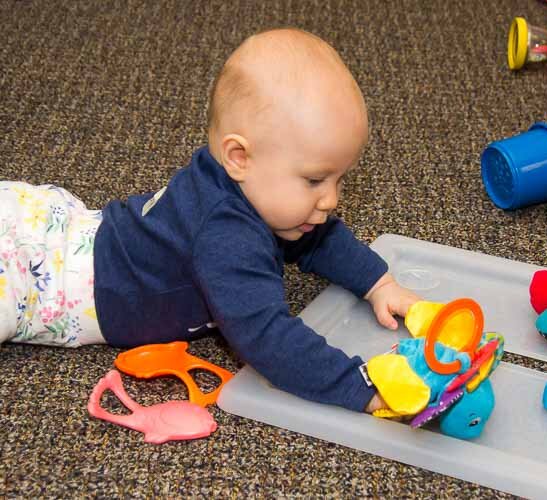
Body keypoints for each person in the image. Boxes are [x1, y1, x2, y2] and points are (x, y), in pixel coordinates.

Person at [0, 28, 420, 414]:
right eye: (314, 180)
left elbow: (319, 239)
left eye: (338, 178)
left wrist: (377, 282)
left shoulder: (249, 188)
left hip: (56, 227)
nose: (331, 199)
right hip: (42, 281)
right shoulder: (226, 235)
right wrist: (361, 387)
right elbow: (268, 339)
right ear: (239, 157)